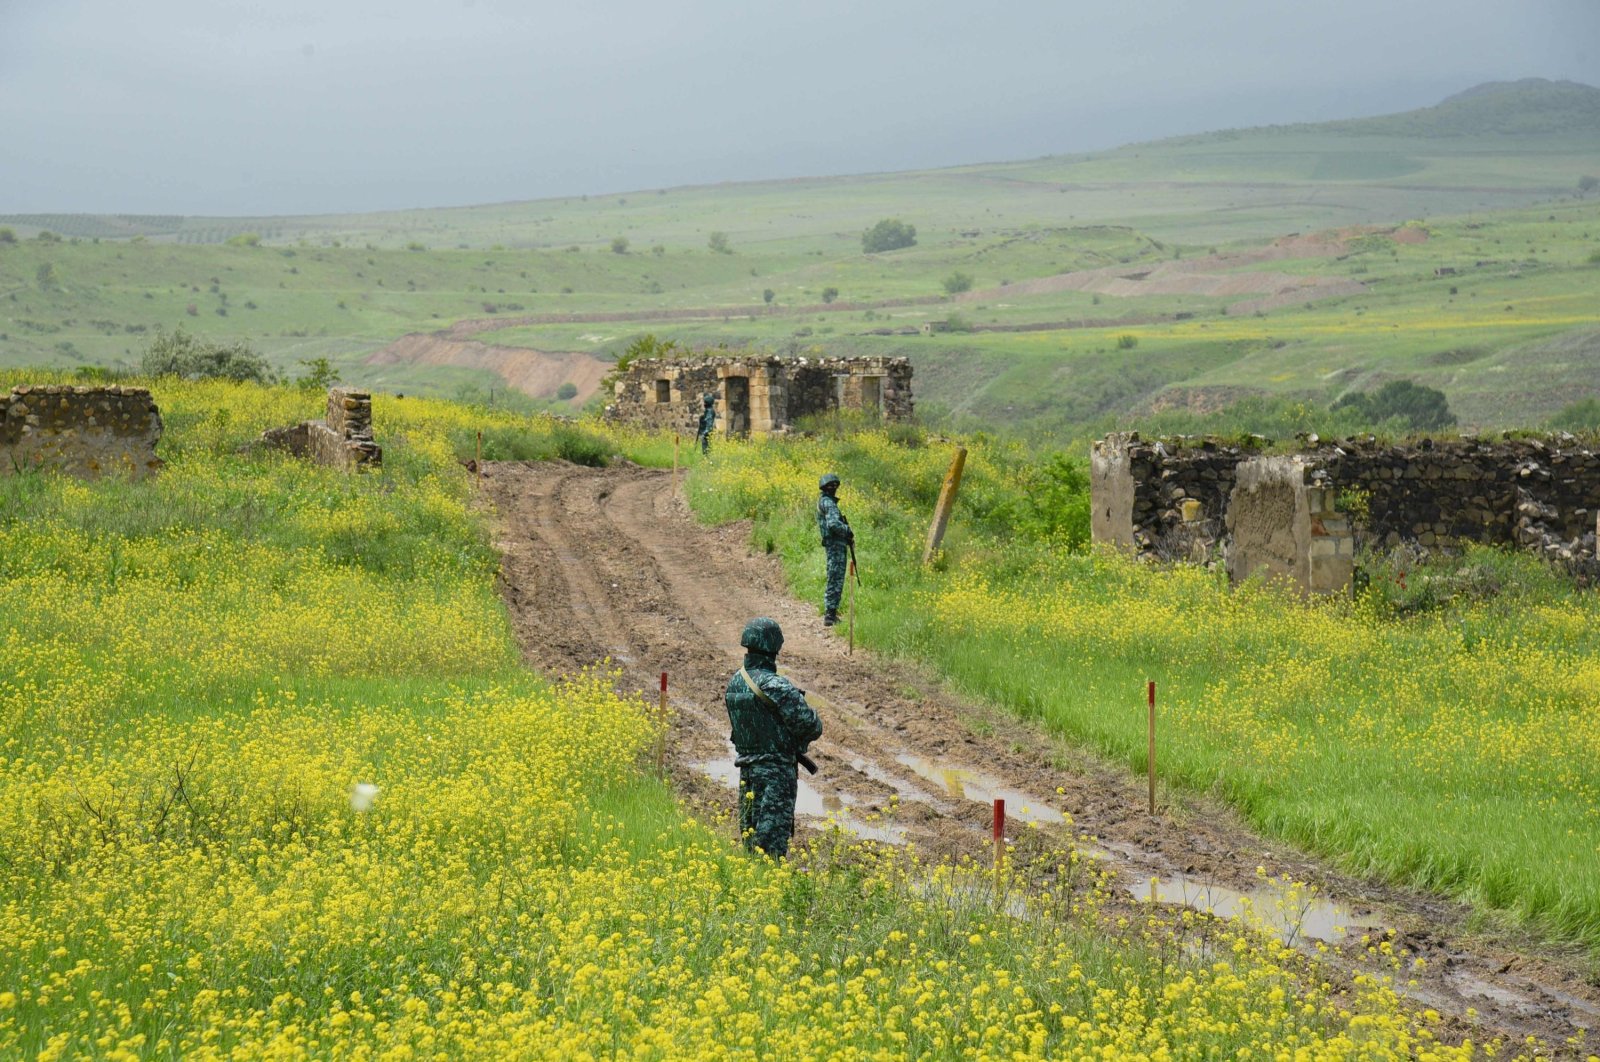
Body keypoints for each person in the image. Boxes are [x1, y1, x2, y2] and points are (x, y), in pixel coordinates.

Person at [724, 617, 822, 858]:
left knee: (751, 843)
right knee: (770, 849)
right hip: (776, 776)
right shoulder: (776, 686)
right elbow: (812, 726)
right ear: (774, 646)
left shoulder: (735, 683)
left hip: (747, 772)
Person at [816, 473, 853, 627]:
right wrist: (847, 530)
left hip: (834, 545)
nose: (834, 488)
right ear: (825, 488)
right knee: (836, 577)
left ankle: (831, 612)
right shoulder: (829, 503)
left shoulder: (824, 502)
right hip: (835, 546)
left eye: (835, 486)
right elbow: (833, 524)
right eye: (831, 486)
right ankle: (830, 615)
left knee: (834, 576)